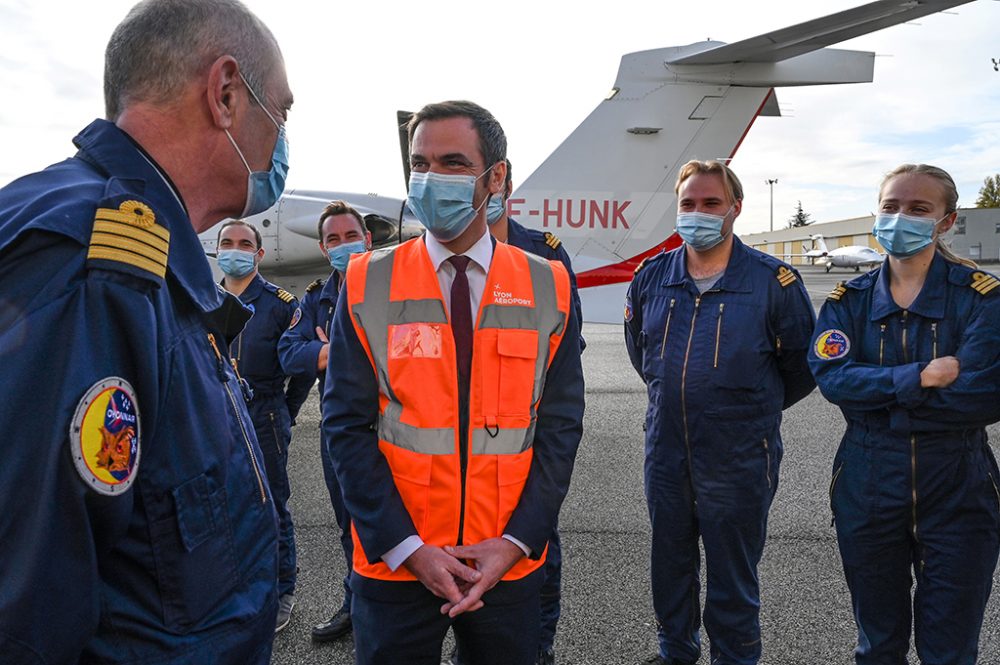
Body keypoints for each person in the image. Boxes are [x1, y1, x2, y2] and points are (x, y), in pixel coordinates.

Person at [0, 0, 293, 662]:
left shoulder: (149, 259)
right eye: (281, 111)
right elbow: (24, 608)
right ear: (224, 94)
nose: (282, 139)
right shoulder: (94, 271)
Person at [323, 100, 585, 665]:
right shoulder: (367, 280)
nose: (430, 179)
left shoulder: (551, 286)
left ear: (496, 177)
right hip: (397, 562)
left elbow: (560, 429)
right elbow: (344, 426)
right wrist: (408, 548)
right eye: (420, 163)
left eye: (451, 163)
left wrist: (515, 543)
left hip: (505, 564)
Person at [624, 160, 816, 665]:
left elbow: (802, 367)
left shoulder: (775, 282)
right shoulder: (651, 278)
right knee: (669, 566)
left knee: (733, 577)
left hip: (739, 458)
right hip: (666, 454)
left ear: (735, 207)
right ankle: (675, 653)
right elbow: (644, 357)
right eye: (688, 204)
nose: (698, 213)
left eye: (711, 203)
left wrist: (743, 411)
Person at [809, 164, 1000, 665]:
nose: (901, 218)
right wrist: (916, 377)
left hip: (959, 483)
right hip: (868, 481)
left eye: (918, 209)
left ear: (946, 221)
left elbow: (983, 394)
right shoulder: (847, 302)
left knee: (950, 648)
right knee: (877, 644)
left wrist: (880, 398)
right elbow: (833, 381)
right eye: (891, 207)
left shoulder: (983, 299)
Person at [449, 160, 584, 665]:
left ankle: (539, 649)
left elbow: (565, 348)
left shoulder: (543, 256)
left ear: (497, 180)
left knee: (536, 563)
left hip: (517, 467)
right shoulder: (419, 259)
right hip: (445, 476)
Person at [278, 199, 372, 642]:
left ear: (368, 240)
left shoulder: (396, 287)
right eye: (333, 239)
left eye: (350, 236)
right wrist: (330, 351)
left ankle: (393, 610)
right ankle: (356, 604)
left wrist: (334, 350)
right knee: (348, 522)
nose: (343, 245)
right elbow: (288, 351)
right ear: (322, 246)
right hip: (338, 428)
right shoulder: (317, 297)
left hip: (394, 426)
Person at [217, 219, 313, 633]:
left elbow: (302, 367)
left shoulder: (280, 304)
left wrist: (285, 411)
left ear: (258, 254)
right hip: (218, 413)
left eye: (244, 244)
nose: (234, 249)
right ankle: (236, 586)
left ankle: (281, 590)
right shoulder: (205, 298)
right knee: (225, 502)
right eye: (226, 242)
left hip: (264, 414)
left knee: (272, 504)